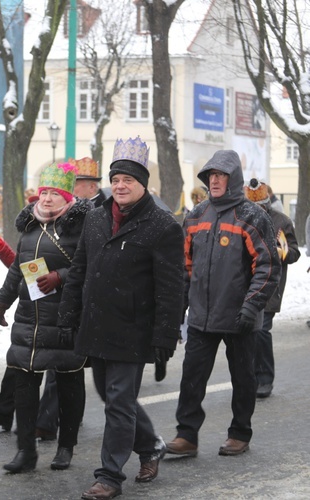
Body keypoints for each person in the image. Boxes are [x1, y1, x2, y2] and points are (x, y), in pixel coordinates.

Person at [58, 137, 184, 500]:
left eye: (128, 179)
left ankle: (109, 476)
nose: (120, 185)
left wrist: (165, 336)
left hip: (134, 329)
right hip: (97, 324)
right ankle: (150, 445)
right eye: (115, 179)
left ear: (143, 184)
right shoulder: (96, 218)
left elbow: (171, 287)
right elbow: (79, 268)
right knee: (114, 397)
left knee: (117, 401)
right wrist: (68, 315)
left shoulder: (162, 226)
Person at [167, 151, 280, 460]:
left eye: (221, 175)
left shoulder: (253, 216)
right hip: (201, 317)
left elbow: (267, 266)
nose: (214, 180)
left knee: (244, 379)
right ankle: (186, 435)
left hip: (240, 318)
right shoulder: (196, 216)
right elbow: (184, 267)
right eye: (210, 175)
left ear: (234, 179)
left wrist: (251, 306)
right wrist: (178, 310)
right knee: (191, 377)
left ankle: (240, 433)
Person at [0, 162, 92, 474]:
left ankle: (66, 446)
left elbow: (91, 267)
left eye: (54, 193)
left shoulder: (81, 226)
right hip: (29, 320)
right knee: (24, 387)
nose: (46, 199)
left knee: (68, 385)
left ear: (67, 197)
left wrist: (60, 277)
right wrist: (1, 301)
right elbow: (18, 269)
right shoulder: (31, 226)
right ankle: (26, 451)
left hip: (64, 318)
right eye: (43, 192)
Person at [243, 180, 300, 399]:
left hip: (269, 286)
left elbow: (293, 253)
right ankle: (249, 378)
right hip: (244, 285)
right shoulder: (241, 219)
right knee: (246, 334)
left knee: (261, 332)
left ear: (267, 203)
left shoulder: (281, 222)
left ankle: (265, 379)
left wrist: (279, 251)